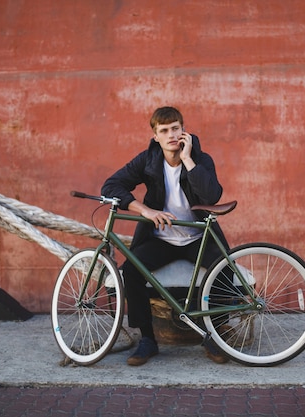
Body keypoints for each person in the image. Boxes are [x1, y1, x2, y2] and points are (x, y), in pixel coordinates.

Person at [101, 106, 230, 366]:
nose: (171, 134)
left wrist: (188, 159)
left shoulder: (201, 159)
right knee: (132, 272)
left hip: (197, 238)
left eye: (175, 128)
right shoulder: (148, 160)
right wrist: (145, 210)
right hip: (160, 238)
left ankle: (213, 334)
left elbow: (212, 196)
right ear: (156, 137)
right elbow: (111, 186)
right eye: (164, 131)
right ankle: (147, 339)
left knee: (224, 271)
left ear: (184, 131)